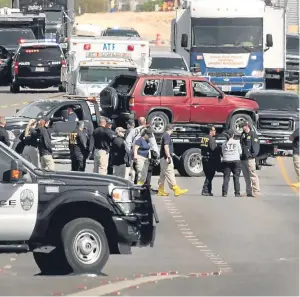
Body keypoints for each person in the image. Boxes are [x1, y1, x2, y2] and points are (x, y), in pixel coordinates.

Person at [158, 124, 188, 197]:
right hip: (166, 158)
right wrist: (168, 156)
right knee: (170, 172)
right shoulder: (167, 136)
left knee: (163, 174)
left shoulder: (164, 135)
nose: (172, 131)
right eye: (172, 129)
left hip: (162, 157)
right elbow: (166, 146)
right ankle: (176, 189)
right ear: (170, 129)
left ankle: (160, 190)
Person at [126, 117, 159, 182]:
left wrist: (130, 152)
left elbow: (127, 142)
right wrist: (156, 154)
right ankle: (142, 188)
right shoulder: (149, 132)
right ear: (145, 122)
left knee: (134, 173)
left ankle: (134, 187)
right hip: (144, 156)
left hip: (135, 155)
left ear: (138, 122)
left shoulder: (133, 130)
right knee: (143, 173)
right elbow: (153, 144)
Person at [240, 122, 260, 197]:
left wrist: (252, 155)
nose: (243, 128)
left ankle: (256, 191)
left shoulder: (253, 134)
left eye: (244, 126)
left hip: (250, 159)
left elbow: (255, 147)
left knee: (252, 175)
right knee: (246, 176)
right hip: (243, 158)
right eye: (242, 126)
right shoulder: (243, 135)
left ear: (247, 126)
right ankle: (248, 191)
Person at [221, 129, 242, 197]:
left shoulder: (224, 143)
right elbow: (240, 152)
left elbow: (223, 152)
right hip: (235, 160)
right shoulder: (237, 142)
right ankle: (237, 193)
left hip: (226, 160)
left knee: (226, 177)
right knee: (236, 177)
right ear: (233, 135)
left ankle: (224, 192)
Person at [200, 126, 219, 196]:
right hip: (210, 159)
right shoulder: (211, 139)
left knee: (208, 175)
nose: (215, 132)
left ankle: (208, 191)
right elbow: (213, 149)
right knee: (210, 175)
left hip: (204, 158)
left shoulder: (204, 138)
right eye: (214, 130)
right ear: (210, 131)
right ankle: (205, 190)